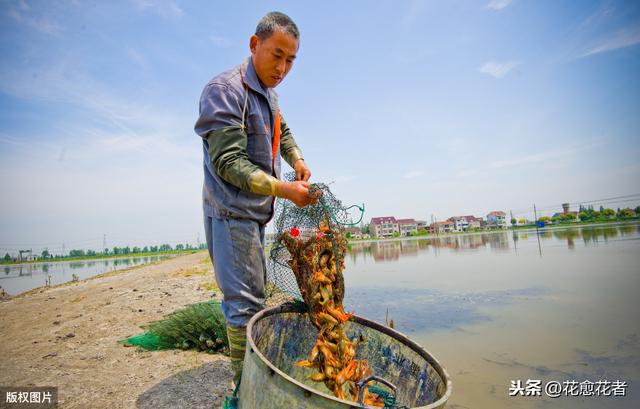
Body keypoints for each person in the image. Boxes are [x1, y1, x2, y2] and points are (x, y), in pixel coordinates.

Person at [194, 11, 317, 386]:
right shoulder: (225, 90)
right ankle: (245, 387)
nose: (282, 67)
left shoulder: (270, 95)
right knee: (244, 306)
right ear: (254, 44)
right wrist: (284, 190)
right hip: (231, 213)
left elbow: (285, 128)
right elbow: (229, 163)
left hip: (255, 214)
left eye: (291, 60)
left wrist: (296, 158)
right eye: (276, 55)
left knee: (253, 296)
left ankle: (250, 377)